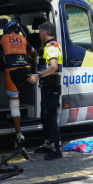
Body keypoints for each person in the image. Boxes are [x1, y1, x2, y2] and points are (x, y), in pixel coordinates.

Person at [27, 21, 63, 160]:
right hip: (47, 85)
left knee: (51, 117)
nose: (39, 35)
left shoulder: (52, 47)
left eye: (39, 33)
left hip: (51, 86)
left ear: (43, 33)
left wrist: (38, 76)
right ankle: (48, 144)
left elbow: (53, 66)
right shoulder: (47, 46)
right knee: (45, 116)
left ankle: (57, 150)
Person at [0, 19, 38, 149]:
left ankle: (19, 134)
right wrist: (32, 59)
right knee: (17, 95)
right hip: (26, 69)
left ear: (7, 31)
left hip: (12, 71)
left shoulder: (3, 38)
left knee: (13, 101)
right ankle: (14, 114)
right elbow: (34, 53)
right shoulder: (23, 38)